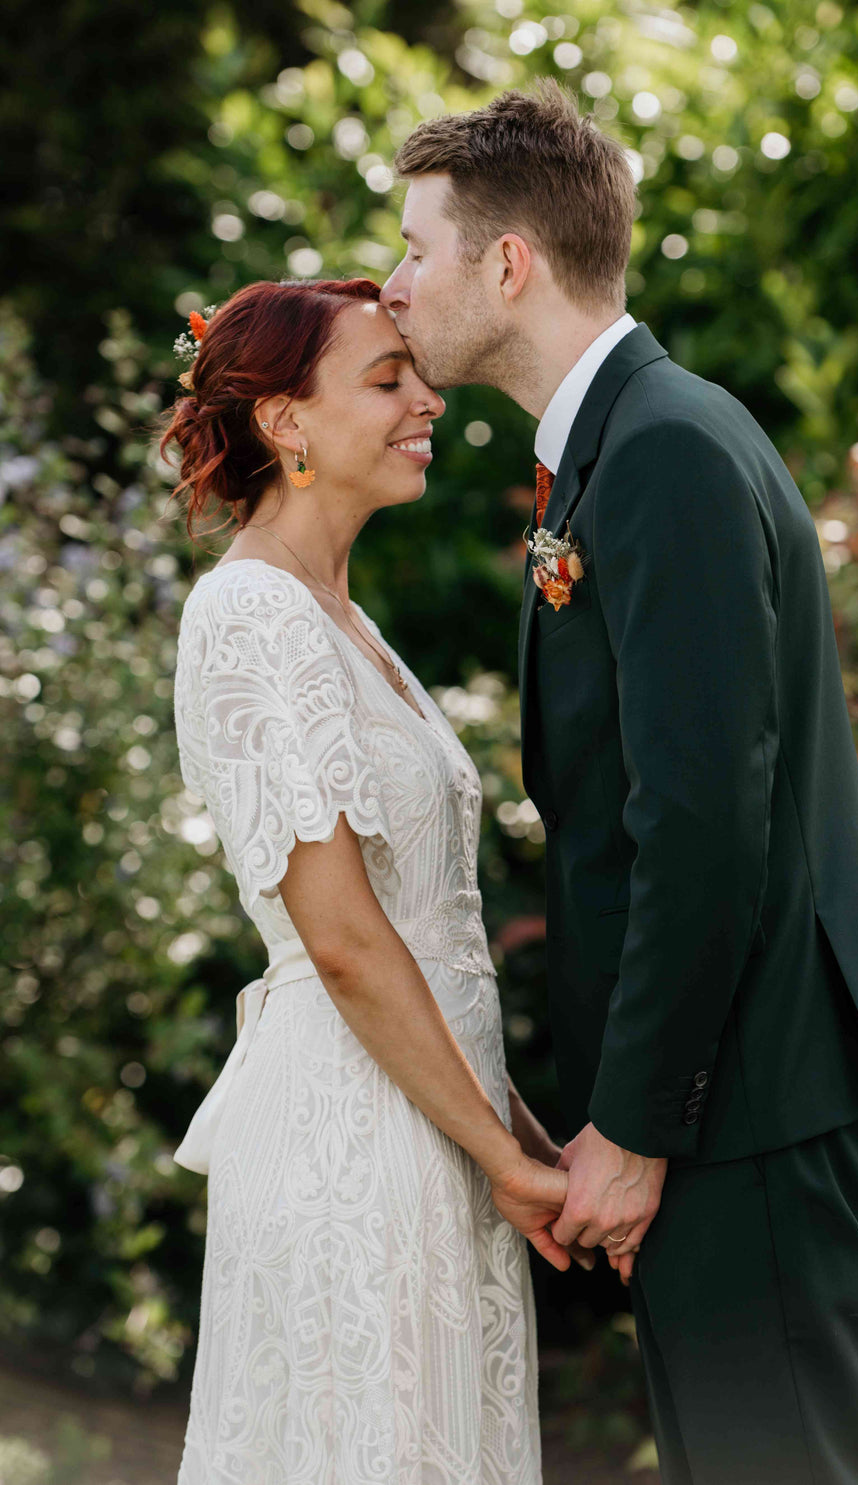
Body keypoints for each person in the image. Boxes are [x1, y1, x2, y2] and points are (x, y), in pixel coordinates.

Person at [380, 79, 858, 1484]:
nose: (391, 288)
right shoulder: (622, 446)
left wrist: (634, 1123)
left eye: (411, 249)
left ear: (506, 263)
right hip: (733, 1089)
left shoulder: (666, 454)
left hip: (743, 1094)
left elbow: (697, 822)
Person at [160, 276, 593, 1484]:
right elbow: (344, 938)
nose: (430, 401)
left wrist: (520, 1142)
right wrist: (505, 1162)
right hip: (350, 1139)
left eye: (420, 373)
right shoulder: (248, 614)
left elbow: (426, 929)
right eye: (387, 379)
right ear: (284, 422)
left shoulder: (345, 619)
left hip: (440, 1129)